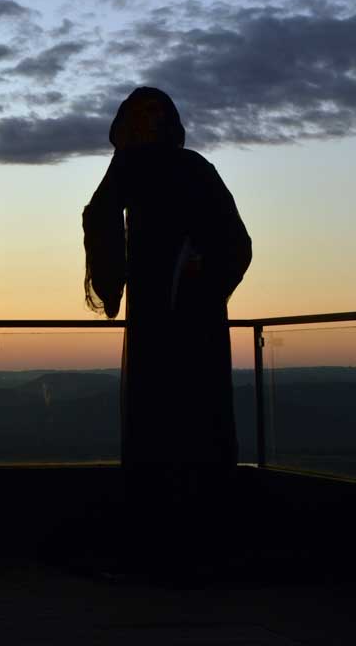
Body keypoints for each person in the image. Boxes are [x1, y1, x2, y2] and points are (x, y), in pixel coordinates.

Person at [83, 87, 251, 573]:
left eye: (153, 116)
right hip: (160, 312)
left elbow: (235, 241)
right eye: (139, 117)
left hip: (190, 314)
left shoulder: (192, 169)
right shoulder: (134, 169)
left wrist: (199, 271)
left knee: (190, 410)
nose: (146, 126)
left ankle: (190, 535)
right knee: (161, 410)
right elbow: (99, 214)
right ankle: (167, 535)